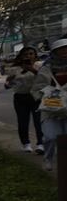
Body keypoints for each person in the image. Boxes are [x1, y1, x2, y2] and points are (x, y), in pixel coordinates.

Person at [30, 37, 67, 172]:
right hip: (51, 109)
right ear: (55, 52)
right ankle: (48, 158)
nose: (64, 52)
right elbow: (36, 89)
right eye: (61, 50)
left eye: (66, 49)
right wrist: (47, 93)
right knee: (50, 137)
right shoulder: (46, 69)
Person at [12, 47, 44, 154]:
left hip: (36, 97)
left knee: (38, 121)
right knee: (22, 122)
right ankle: (26, 143)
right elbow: (10, 84)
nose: (28, 56)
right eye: (25, 54)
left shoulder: (40, 65)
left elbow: (44, 79)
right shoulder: (15, 68)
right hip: (21, 97)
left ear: (35, 55)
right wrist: (10, 80)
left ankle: (41, 143)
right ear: (21, 56)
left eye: (31, 54)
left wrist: (32, 70)